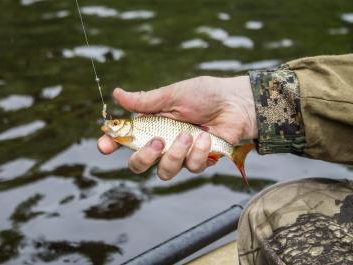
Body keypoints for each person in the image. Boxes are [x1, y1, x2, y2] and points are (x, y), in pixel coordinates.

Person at [98, 54, 353, 264]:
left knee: (269, 214)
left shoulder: (134, 130)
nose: (113, 126)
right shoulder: (135, 130)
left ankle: (235, 154)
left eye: (117, 123)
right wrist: (246, 102)